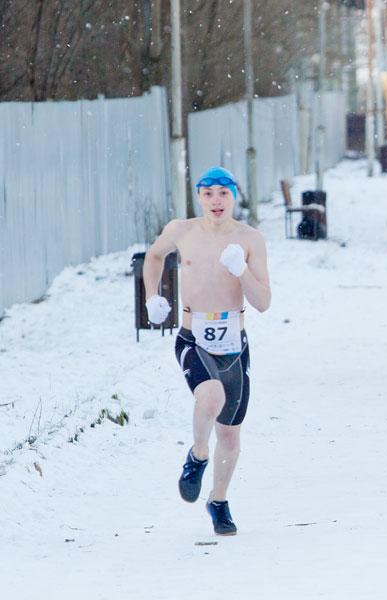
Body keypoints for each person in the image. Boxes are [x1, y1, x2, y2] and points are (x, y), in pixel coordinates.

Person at [143, 165, 272, 535]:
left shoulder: (250, 239)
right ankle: (198, 454)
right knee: (211, 396)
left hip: (234, 345)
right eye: (208, 193)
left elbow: (263, 302)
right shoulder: (181, 231)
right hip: (192, 338)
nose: (216, 201)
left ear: (234, 196)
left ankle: (218, 501)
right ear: (198, 197)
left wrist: (241, 270)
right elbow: (154, 256)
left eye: (224, 193)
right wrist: (152, 297)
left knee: (229, 434)